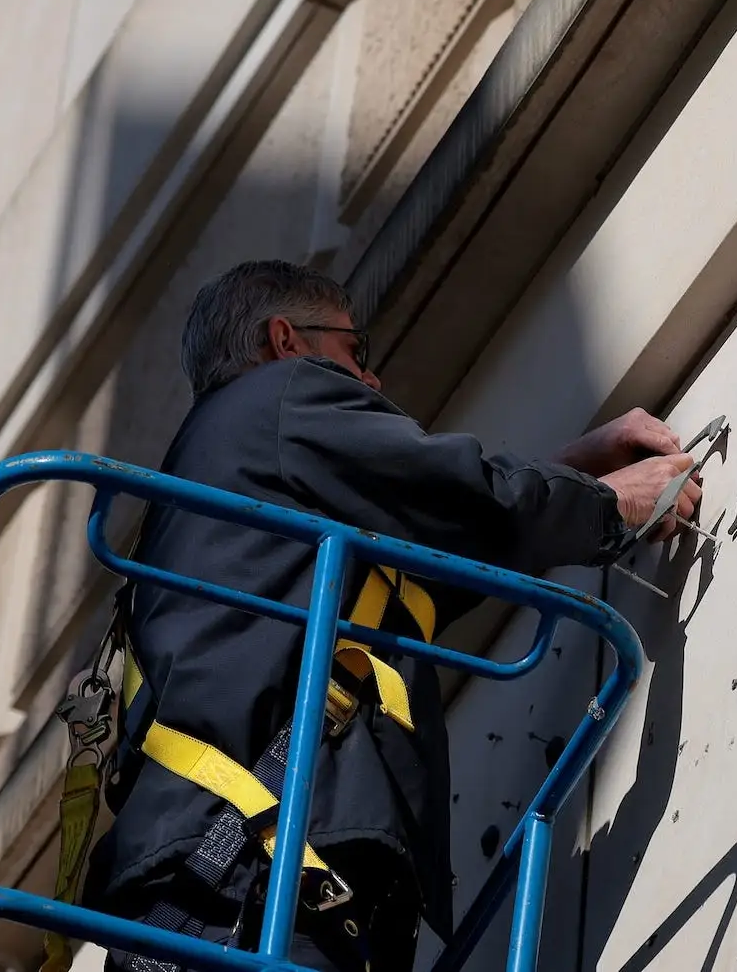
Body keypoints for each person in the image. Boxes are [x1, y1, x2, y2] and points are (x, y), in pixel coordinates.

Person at [84, 260, 698, 972]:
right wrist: (606, 505)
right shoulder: (281, 394)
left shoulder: (219, 489)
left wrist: (571, 473)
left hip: (220, 882)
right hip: (254, 878)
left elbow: (423, 564)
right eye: (356, 351)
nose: (371, 380)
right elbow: (461, 495)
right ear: (286, 339)